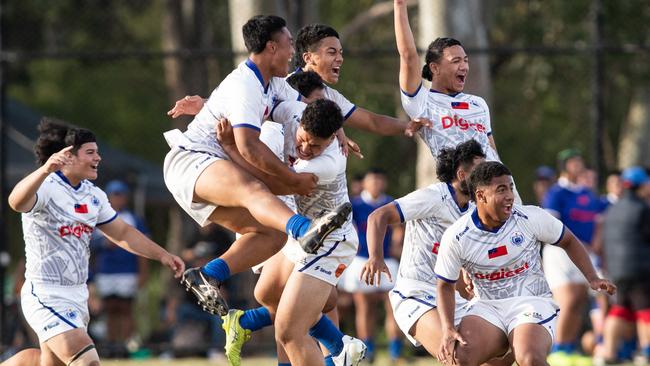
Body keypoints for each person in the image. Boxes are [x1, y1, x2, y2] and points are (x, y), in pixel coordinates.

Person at [162, 15, 352, 316]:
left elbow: (304, 111)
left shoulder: (272, 82)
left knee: (273, 236)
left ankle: (209, 274)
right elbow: (248, 147)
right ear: (271, 47)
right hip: (192, 161)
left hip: (216, 168)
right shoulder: (246, 85)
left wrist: (335, 129)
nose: (292, 52)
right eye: (289, 44)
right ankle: (304, 229)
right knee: (255, 189)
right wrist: (290, 177)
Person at [4, 119, 184, 366]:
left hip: (78, 295)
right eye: (90, 152)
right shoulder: (46, 185)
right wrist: (45, 169)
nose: (98, 158)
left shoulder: (94, 195)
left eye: (97, 152)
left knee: (47, 363)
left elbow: (123, 233)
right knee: (87, 360)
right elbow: (15, 202)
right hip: (45, 293)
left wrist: (163, 255)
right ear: (68, 156)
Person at [218, 99, 367, 365]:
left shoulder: (323, 164)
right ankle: (340, 346)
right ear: (300, 121)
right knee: (266, 293)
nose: (306, 149)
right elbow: (259, 100)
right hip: (305, 234)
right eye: (304, 140)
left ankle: (338, 347)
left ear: (332, 139)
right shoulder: (292, 111)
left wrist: (230, 146)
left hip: (330, 240)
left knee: (290, 330)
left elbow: (268, 183)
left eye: (315, 146)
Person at [434, 161, 616, 366]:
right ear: (480, 195)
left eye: (511, 187)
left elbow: (568, 240)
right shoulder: (457, 235)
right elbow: (445, 286)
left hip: (531, 301)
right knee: (458, 359)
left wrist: (592, 277)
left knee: (530, 358)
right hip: (487, 307)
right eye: (501, 189)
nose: (510, 196)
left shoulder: (530, 217)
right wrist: (448, 327)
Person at [360, 139, 485, 358]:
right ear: (462, 175)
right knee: (457, 356)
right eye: (479, 170)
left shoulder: (474, 209)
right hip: (415, 293)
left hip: (449, 298)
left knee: (499, 353)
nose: (485, 176)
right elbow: (378, 216)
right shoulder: (434, 196)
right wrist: (375, 257)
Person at [542, 148, 607, 362]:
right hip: (560, 252)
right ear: (566, 165)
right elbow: (551, 225)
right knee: (568, 299)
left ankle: (568, 348)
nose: (579, 166)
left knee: (579, 299)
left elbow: (597, 221)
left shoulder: (586, 194)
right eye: (575, 162)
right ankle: (556, 348)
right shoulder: (556, 193)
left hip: (583, 254)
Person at [339, 168, 403, 363]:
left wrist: (396, 245)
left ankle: (395, 352)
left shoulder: (391, 203)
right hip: (362, 261)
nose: (376, 184)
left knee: (395, 306)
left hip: (388, 261)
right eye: (372, 180)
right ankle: (367, 351)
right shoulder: (355, 205)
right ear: (365, 183)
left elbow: (400, 227)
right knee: (364, 307)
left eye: (379, 180)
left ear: (384, 183)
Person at [91, 180, 149, 353]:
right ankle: (112, 344)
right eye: (115, 195)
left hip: (127, 271)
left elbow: (143, 246)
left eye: (121, 195)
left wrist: (143, 273)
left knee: (126, 308)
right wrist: (103, 245)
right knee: (110, 308)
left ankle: (126, 345)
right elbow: (90, 245)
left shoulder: (134, 219)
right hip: (106, 271)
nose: (118, 199)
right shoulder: (98, 217)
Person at [600, 167, 650, 364]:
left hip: (616, 270)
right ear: (641, 186)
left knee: (619, 309)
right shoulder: (642, 208)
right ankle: (647, 353)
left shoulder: (613, 209)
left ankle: (608, 354)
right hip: (639, 268)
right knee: (645, 309)